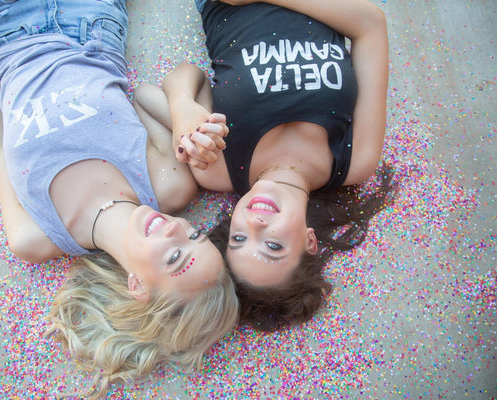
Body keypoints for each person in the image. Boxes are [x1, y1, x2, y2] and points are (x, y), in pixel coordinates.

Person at [0, 1, 238, 397]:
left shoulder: (35, 237)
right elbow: (143, 96)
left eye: (175, 256)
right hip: (92, 23)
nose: (177, 229)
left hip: (9, 34)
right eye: (195, 236)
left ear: (138, 286)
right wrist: (188, 120)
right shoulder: (170, 184)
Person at [137, 0, 395, 332]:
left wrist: (182, 108)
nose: (256, 223)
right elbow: (370, 25)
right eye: (273, 246)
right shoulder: (354, 162)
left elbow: (150, 93)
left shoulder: (217, 167)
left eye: (240, 238)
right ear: (309, 241)